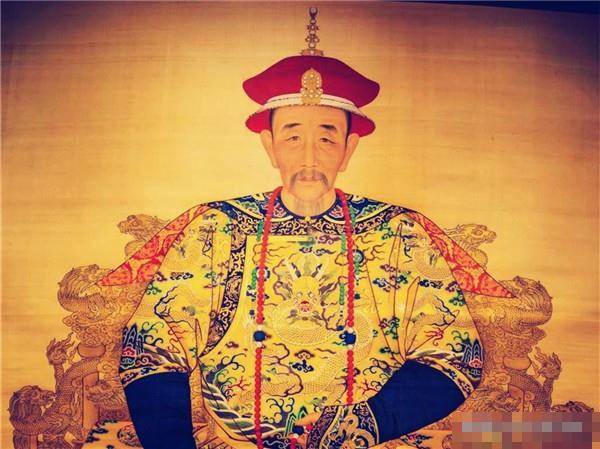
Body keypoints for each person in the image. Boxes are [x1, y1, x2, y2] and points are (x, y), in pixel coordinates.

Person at [96, 8, 515, 449]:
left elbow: (455, 355)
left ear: (349, 148)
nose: (310, 158)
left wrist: (366, 423)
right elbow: (152, 350)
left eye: (327, 138)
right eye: (293, 137)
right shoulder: (217, 229)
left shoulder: (396, 234)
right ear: (270, 145)